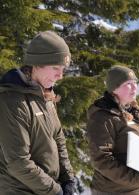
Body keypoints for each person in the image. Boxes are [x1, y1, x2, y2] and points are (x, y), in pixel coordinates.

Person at [0, 31, 76, 195]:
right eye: (55, 67)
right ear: (36, 63)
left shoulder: (46, 96)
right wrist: (55, 191)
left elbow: (58, 139)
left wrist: (68, 179)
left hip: (45, 189)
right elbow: (18, 162)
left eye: (63, 69)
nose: (60, 75)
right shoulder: (12, 101)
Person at [86, 65, 139, 195]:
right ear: (115, 88)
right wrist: (134, 178)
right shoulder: (102, 117)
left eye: (135, 82)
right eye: (128, 84)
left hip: (135, 189)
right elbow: (101, 159)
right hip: (113, 191)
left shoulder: (133, 111)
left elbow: (131, 142)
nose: (134, 87)